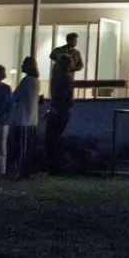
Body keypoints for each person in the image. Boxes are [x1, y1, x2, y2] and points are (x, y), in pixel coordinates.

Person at [46, 33, 83, 175]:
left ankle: (60, 164)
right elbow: (52, 55)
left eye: (75, 40)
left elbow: (80, 65)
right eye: (72, 40)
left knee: (54, 137)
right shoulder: (60, 50)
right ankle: (58, 164)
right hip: (59, 105)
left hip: (60, 107)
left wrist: (71, 68)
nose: (74, 42)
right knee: (54, 137)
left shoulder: (76, 54)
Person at [10, 56, 41, 175]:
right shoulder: (36, 81)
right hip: (32, 119)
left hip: (23, 119)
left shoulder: (26, 80)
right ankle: (27, 169)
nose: (21, 66)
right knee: (29, 145)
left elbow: (15, 96)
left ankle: (21, 170)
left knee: (21, 145)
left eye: (24, 64)